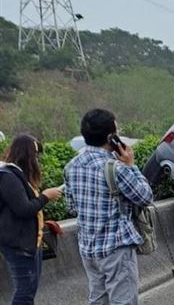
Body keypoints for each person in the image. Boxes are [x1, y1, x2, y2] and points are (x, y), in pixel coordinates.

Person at [64, 109, 154, 305]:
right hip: (115, 247)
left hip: (88, 249)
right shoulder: (116, 168)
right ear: (111, 138)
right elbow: (145, 197)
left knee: (98, 300)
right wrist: (131, 165)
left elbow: (71, 207)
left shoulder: (71, 166)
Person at [0, 135, 63, 305]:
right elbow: (23, 209)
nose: (37, 159)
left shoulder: (18, 175)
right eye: (34, 154)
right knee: (25, 292)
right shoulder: (9, 176)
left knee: (29, 290)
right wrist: (45, 197)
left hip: (30, 242)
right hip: (18, 244)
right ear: (25, 154)